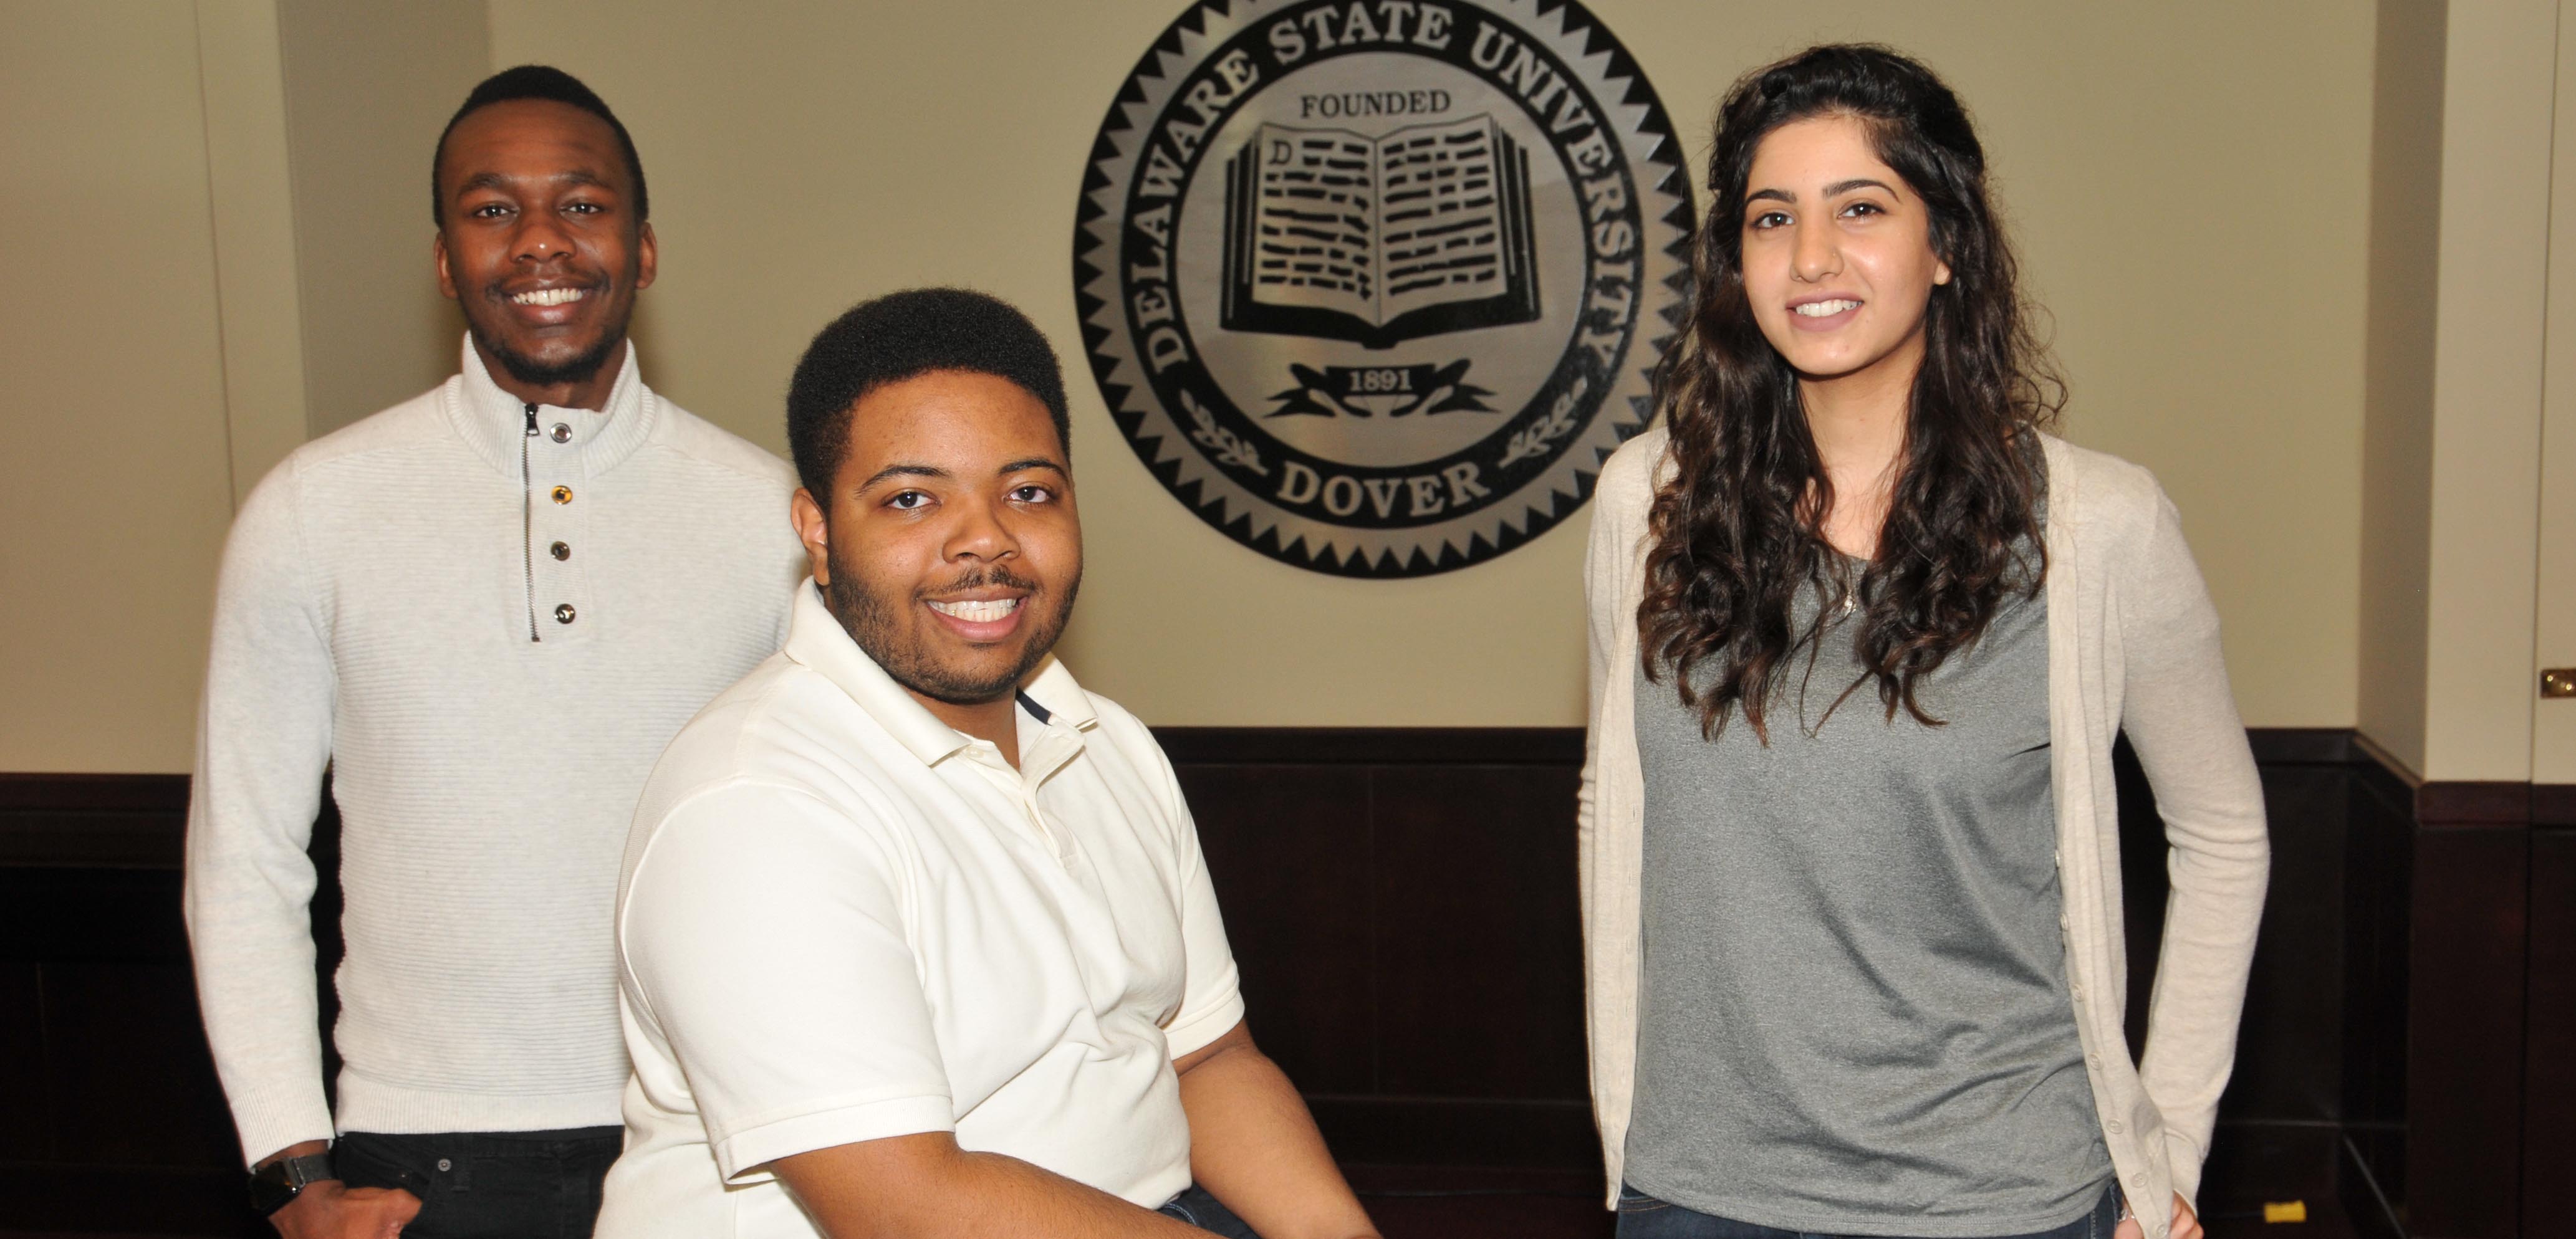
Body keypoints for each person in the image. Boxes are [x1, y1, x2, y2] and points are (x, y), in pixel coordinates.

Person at [1576, 45, 2267, 1239]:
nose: (1811, 257)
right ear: (1736, 264)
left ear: (1947, 246)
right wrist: (1627, 1121)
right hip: (1698, 1193)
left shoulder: (2100, 528)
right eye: (1771, 217)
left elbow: (2222, 832)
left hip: (2000, 1197)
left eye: (1862, 208)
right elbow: (1614, 800)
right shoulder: (1648, 503)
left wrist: (2168, 1154)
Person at [595, 289, 1381, 1239]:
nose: (986, 541)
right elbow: (906, 1208)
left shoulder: (1107, 743)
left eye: (1028, 492)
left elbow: (1206, 1060)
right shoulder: (753, 803)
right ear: (817, 528)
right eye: (912, 499)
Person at [183, 65, 804, 1238]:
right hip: (421, 1163)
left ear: (645, 245)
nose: (538, 243)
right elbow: (246, 859)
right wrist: (289, 1170)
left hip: (722, 1140)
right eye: (490, 209)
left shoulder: (768, 514)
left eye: (581, 204)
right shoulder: (313, 508)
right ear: (442, 257)